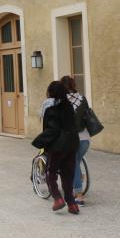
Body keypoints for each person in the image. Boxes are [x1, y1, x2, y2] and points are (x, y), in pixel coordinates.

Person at [32, 81, 80, 215]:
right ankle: (72, 203)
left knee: (50, 172)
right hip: (72, 144)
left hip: (57, 146)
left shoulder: (51, 110)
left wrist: (38, 141)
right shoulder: (69, 107)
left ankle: (57, 198)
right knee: (67, 174)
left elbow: (52, 130)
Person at [61, 76, 91, 206]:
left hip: (71, 139)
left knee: (72, 163)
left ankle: (79, 195)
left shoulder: (61, 101)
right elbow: (86, 115)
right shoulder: (82, 98)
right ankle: (77, 181)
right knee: (76, 162)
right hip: (85, 138)